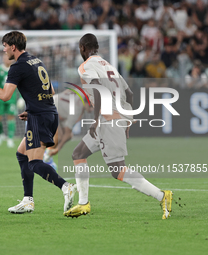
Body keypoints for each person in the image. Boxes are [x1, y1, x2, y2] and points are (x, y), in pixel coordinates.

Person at [63, 33, 173, 220]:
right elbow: (129, 93)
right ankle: (83, 204)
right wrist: (127, 119)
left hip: (107, 120)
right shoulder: (109, 66)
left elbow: (98, 89)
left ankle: (162, 196)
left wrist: (96, 119)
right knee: (78, 154)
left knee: (117, 170)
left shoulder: (85, 66)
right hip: (115, 119)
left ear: (83, 48)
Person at [0, 31, 77, 214]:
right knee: (22, 154)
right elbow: (51, 91)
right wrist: (32, 111)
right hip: (46, 114)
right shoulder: (36, 61)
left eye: (5, 46)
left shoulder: (17, 67)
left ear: (13, 46)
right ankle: (27, 200)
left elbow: (6, 96)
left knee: (34, 162)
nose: (4, 49)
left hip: (39, 117)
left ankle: (65, 186)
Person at [43, 89, 91, 169]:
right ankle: (45, 158)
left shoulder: (82, 94)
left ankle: (46, 157)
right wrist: (58, 149)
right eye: (91, 106)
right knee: (59, 136)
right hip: (50, 108)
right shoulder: (77, 109)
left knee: (67, 136)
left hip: (55, 107)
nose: (92, 109)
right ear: (85, 103)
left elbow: (68, 90)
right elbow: (68, 132)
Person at [0, 54, 24, 148]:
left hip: (11, 98)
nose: (6, 60)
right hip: (0, 98)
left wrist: (21, 98)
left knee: (11, 118)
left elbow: (20, 85)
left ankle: (10, 139)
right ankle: (0, 135)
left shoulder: (16, 69)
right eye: (4, 58)